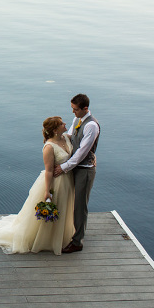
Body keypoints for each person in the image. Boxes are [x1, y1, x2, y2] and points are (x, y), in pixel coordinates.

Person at [0, 117, 75, 255]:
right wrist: (47, 191)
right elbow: (49, 171)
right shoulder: (49, 147)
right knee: (55, 207)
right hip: (56, 182)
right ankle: (45, 239)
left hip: (68, 180)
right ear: (55, 130)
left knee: (64, 207)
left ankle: (61, 235)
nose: (65, 124)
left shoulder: (66, 138)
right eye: (61, 123)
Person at [54, 93, 100, 253]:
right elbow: (71, 137)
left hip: (85, 170)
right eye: (72, 108)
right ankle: (70, 232)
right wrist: (54, 139)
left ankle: (77, 242)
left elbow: (82, 152)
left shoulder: (91, 126)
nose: (73, 112)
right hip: (74, 168)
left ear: (85, 108)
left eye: (75, 109)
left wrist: (64, 167)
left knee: (80, 206)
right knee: (69, 201)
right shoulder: (77, 120)